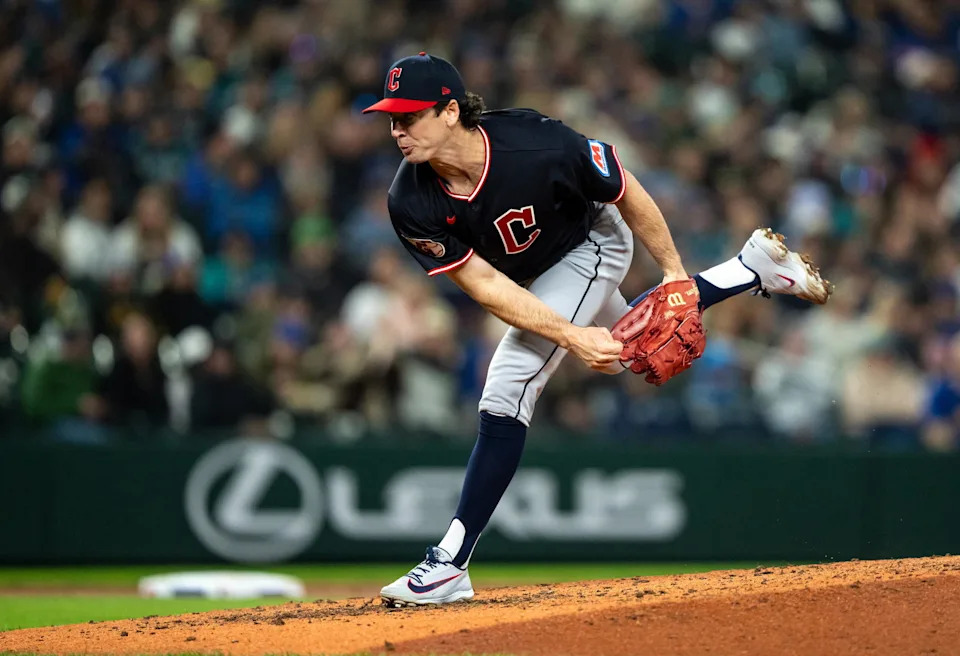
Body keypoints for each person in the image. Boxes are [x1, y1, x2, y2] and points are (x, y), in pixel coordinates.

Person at [363, 53, 831, 607]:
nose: (397, 130)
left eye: (409, 116)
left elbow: (624, 187)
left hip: (593, 243)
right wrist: (570, 333)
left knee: (508, 385)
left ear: (448, 112)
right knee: (638, 351)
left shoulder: (536, 142)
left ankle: (450, 562)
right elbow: (486, 286)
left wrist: (674, 272)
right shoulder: (409, 199)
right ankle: (748, 269)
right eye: (391, 118)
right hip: (538, 273)